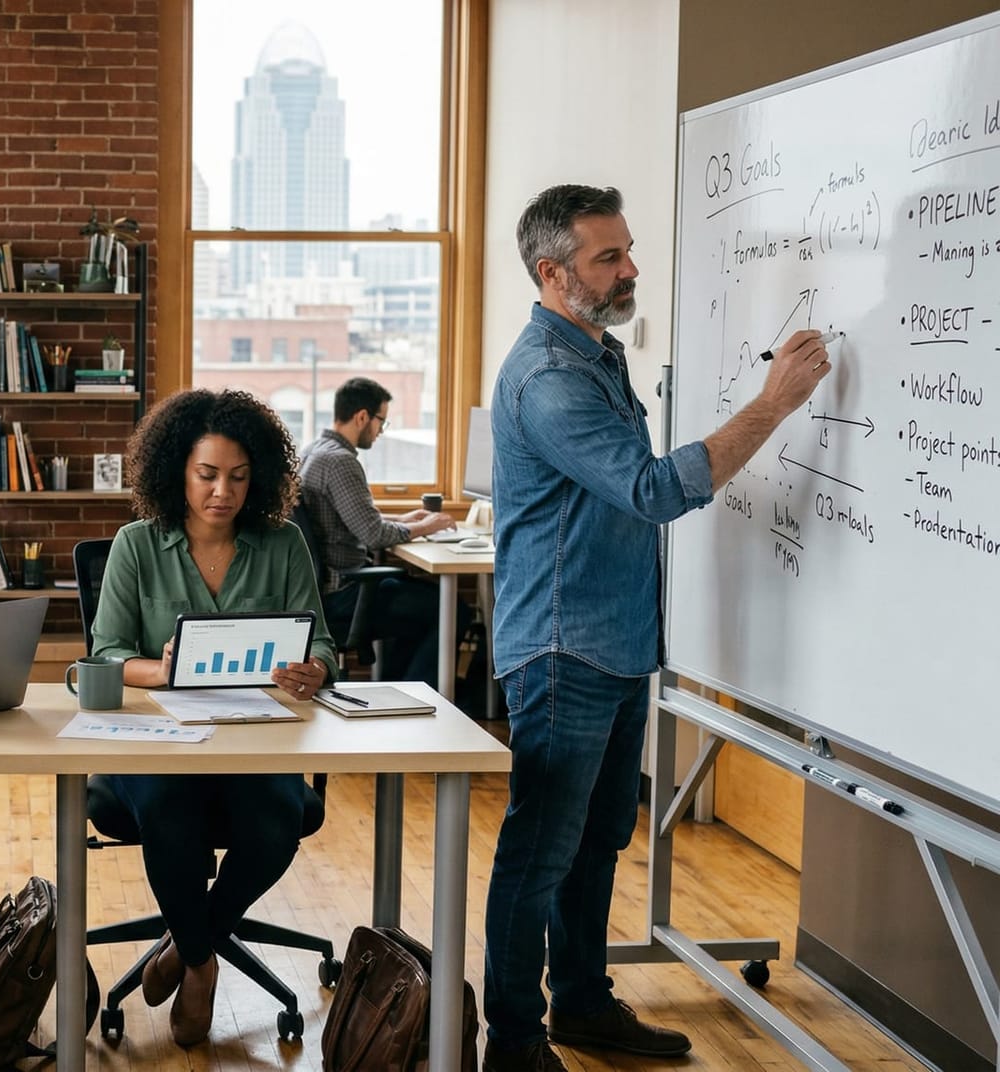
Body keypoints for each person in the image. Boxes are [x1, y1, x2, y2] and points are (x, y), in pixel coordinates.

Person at [482, 185, 829, 1072]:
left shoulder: (595, 353)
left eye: (628, 250)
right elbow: (651, 489)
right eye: (609, 257)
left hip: (616, 641)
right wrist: (774, 403)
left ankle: (584, 1006)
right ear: (552, 273)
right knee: (540, 853)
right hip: (564, 649)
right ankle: (514, 1043)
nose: (632, 268)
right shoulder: (550, 379)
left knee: (598, 841)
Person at [90, 388, 336, 1048]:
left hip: (254, 737)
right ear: (177, 471)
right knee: (171, 808)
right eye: (206, 475)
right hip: (157, 742)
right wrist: (162, 671)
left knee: (278, 817)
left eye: (238, 476)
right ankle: (201, 964)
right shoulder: (136, 545)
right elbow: (105, 655)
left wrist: (313, 669)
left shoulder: (281, 542)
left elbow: (321, 643)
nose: (222, 491)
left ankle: (191, 941)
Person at [299, 376, 457, 685]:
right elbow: (373, 535)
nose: (381, 431)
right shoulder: (340, 462)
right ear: (362, 417)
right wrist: (427, 525)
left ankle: (399, 685)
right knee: (449, 611)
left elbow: (355, 518)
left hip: (331, 588)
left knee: (423, 606)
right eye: (380, 421)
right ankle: (420, 693)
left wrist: (406, 519)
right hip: (345, 592)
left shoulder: (315, 451)